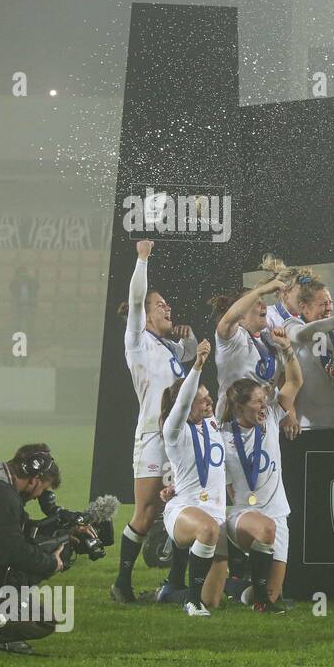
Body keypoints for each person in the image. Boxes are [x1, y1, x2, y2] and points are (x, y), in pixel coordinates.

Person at [113, 239, 197, 604]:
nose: (168, 309)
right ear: (145, 316)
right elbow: (135, 300)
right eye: (160, 305)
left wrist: (189, 339)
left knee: (182, 506)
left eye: (167, 305)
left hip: (181, 437)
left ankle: (174, 583)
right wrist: (142, 260)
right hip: (153, 437)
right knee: (146, 513)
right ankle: (122, 584)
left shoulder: (171, 348)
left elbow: (191, 367)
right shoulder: (137, 342)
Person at [219, 332, 301, 613]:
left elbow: (294, 382)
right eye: (256, 401)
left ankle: (235, 588)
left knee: (270, 592)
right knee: (264, 529)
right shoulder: (224, 436)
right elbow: (226, 484)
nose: (263, 405)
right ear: (240, 407)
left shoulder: (272, 418)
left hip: (278, 511)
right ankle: (259, 600)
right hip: (244, 514)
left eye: (263, 399)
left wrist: (287, 349)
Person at [0, 446, 69, 653]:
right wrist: (52, 563)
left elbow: (11, 530)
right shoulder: (2, 497)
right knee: (42, 619)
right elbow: (12, 551)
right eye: (43, 488)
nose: (38, 496)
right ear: (34, 480)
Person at [158, 340, 228, 616]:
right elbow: (184, 399)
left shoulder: (212, 423)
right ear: (186, 405)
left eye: (208, 396)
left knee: (213, 600)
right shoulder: (174, 431)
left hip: (215, 514)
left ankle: (174, 594)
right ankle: (191, 603)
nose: (209, 401)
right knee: (208, 529)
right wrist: (197, 365)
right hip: (184, 511)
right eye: (202, 399)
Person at [282, 279, 334, 430]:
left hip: (332, 425)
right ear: (304, 307)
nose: (329, 308)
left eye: (330, 303)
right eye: (322, 304)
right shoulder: (291, 325)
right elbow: (301, 335)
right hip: (299, 427)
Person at [209, 274, 285, 422]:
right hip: (235, 423)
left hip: (265, 422)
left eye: (262, 301)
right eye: (256, 303)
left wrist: (289, 413)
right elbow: (230, 317)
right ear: (241, 315)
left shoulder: (269, 340)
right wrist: (260, 290)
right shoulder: (232, 339)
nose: (264, 306)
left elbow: (281, 380)